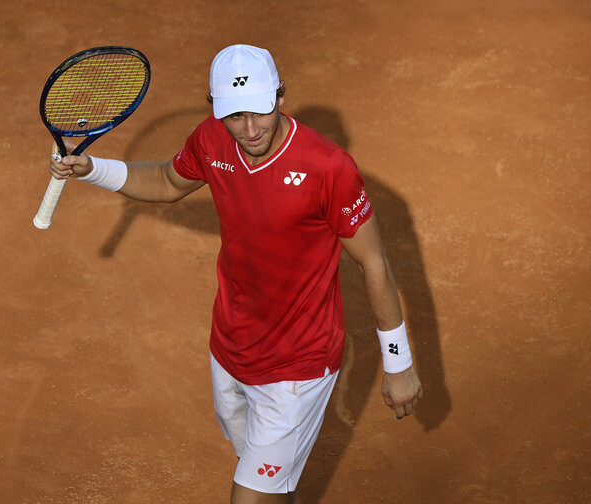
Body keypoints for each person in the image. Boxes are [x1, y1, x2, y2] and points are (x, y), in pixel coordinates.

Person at [48, 44, 423, 504]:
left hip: (297, 367)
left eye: (261, 113)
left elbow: (373, 262)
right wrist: (92, 170)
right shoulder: (212, 139)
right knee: (270, 485)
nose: (249, 130)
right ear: (216, 110)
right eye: (235, 116)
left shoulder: (329, 167)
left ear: (280, 97)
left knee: (249, 497)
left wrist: (398, 362)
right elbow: (167, 181)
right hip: (230, 346)